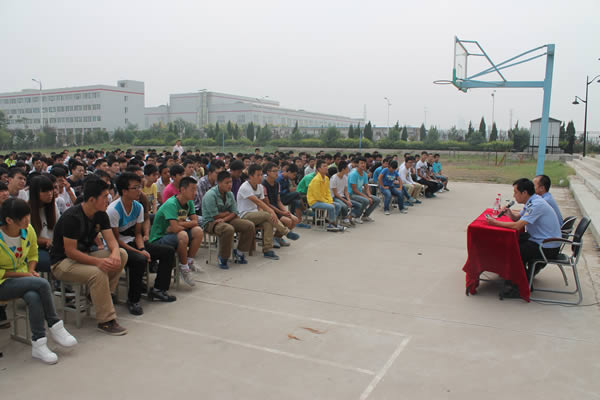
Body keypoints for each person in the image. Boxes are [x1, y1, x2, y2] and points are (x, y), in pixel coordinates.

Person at [0, 198, 77, 364]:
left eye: (28, 215)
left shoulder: (27, 230)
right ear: (9, 220)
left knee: (33, 296)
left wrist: (30, 270)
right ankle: (55, 325)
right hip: (3, 282)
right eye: (23, 218)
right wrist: (25, 276)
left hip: (22, 277)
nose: (28, 220)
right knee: (42, 283)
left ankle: (39, 344)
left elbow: (33, 254)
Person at [50, 176, 129, 335]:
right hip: (63, 262)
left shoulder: (101, 214)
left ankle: (96, 296)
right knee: (97, 273)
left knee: (121, 254)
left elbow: (111, 240)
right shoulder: (72, 217)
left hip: (85, 255)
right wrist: (97, 262)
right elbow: (70, 252)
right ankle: (106, 321)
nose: (108, 200)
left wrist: (114, 252)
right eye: (104, 197)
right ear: (92, 199)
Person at [486, 178, 562, 293]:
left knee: (513, 251)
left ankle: (521, 286)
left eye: (516, 192)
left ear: (524, 193)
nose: (514, 195)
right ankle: (518, 277)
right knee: (509, 242)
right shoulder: (532, 201)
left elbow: (517, 226)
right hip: (540, 240)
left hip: (547, 247)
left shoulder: (537, 204)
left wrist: (495, 223)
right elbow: (517, 218)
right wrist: (509, 213)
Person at [149, 177, 203, 287]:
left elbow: (195, 222)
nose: (195, 192)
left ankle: (189, 261)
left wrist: (180, 224)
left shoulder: (189, 202)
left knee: (198, 231)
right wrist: (179, 226)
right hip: (159, 238)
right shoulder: (171, 204)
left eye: (195, 189)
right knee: (183, 235)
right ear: (182, 190)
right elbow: (175, 228)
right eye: (192, 189)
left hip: (173, 234)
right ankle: (184, 268)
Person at [237, 164, 296, 260]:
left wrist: (263, 213)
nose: (260, 177)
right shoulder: (245, 187)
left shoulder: (260, 187)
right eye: (258, 175)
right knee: (268, 215)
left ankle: (267, 250)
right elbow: (258, 202)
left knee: (268, 222)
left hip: (256, 214)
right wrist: (270, 211)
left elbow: (261, 205)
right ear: (251, 176)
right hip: (244, 215)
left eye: (261, 174)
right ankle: (286, 232)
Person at [201, 171, 255, 269]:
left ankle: (239, 252)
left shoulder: (229, 194)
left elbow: (235, 212)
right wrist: (227, 214)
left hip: (226, 220)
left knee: (249, 225)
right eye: (227, 183)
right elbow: (216, 216)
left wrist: (225, 217)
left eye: (231, 182)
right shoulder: (210, 195)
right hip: (211, 222)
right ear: (219, 183)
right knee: (228, 229)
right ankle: (223, 257)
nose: (230, 185)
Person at [262, 162, 300, 245]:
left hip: (276, 208)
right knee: (288, 221)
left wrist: (287, 212)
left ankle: (277, 237)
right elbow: (267, 204)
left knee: (295, 220)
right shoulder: (264, 185)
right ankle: (274, 238)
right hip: (268, 209)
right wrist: (282, 213)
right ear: (268, 172)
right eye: (274, 171)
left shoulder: (277, 184)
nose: (277, 173)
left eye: (277, 170)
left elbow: (278, 201)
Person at [28, 175, 59, 273]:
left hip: (54, 245)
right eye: (44, 191)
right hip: (35, 248)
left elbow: (59, 228)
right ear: (35, 193)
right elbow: (27, 238)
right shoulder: (26, 210)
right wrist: (45, 241)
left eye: (50, 190)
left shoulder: (53, 206)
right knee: (50, 261)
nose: (49, 194)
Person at [307, 160, 344, 231]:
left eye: (326, 166)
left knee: (338, 205)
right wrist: (329, 203)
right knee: (331, 207)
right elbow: (317, 196)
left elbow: (328, 192)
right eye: (324, 166)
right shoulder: (316, 180)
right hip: (315, 202)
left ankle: (331, 223)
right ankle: (333, 224)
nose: (326, 168)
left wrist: (330, 201)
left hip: (323, 200)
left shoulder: (326, 178)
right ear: (319, 169)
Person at [348, 157, 380, 222]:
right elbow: (354, 189)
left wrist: (369, 195)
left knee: (377, 200)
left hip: (359, 193)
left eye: (364, 163)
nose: (363, 165)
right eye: (361, 163)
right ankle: (357, 216)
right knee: (366, 200)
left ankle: (365, 216)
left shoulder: (364, 174)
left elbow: (366, 187)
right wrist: (366, 197)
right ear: (357, 164)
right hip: (351, 194)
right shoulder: (353, 174)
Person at [330, 160, 362, 226]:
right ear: (343, 169)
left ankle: (349, 217)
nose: (348, 170)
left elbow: (345, 191)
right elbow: (335, 194)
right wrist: (346, 201)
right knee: (344, 206)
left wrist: (349, 200)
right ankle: (344, 219)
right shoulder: (334, 178)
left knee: (358, 205)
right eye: (347, 168)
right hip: (334, 197)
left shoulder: (345, 177)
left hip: (342, 196)